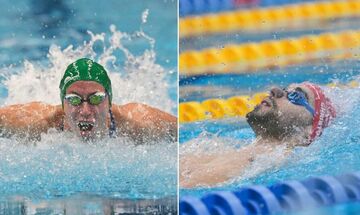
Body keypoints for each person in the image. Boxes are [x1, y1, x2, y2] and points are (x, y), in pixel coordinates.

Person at [180, 82, 336, 188]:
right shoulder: (240, 149)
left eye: (297, 96)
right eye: (285, 89)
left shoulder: (261, 159)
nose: (275, 90)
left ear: (307, 133)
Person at [0, 58, 177, 143]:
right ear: (63, 103)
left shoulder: (136, 123)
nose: (85, 111)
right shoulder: (37, 123)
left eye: (96, 98)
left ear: (109, 101)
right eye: (74, 100)